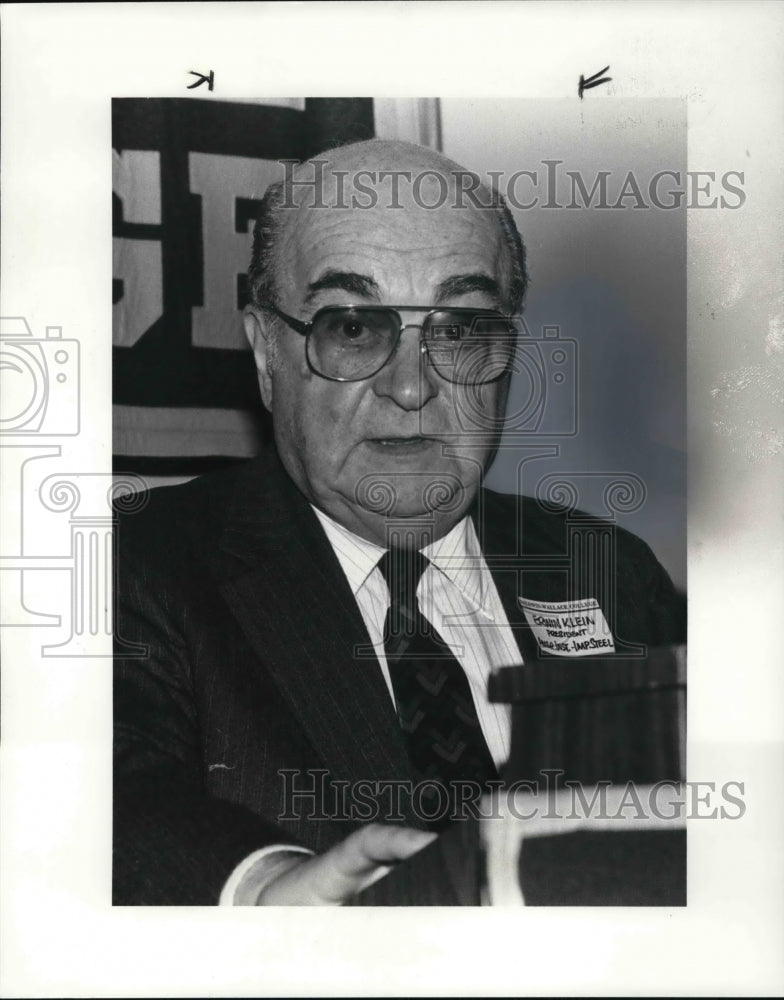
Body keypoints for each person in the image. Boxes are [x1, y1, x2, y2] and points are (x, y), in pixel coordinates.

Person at [113, 139, 685, 905]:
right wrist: (263, 890)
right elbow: (102, 793)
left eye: (458, 330)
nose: (411, 386)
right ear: (264, 351)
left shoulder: (608, 569)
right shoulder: (139, 564)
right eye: (353, 328)